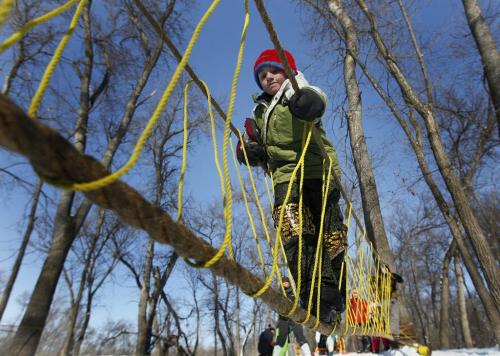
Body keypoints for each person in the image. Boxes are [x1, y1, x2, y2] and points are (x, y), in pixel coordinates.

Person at [237, 48, 347, 324]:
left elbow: (316, 98)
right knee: (294, 233)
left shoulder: (296, 91)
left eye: (273, 70)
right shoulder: (259, 111)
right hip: (286, 177)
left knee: (332, 236)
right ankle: (315, 296)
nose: (268, 77)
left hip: (318, 171)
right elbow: (249, 138)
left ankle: (335, 294)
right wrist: (248, 150)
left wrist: (309, 102)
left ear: (287, 71)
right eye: (262, 75)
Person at [273, 277, 312, 356]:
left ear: (289, 283)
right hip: (283, 318)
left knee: (300, 337)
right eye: (283, 283)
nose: (285, 284)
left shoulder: (294, 293)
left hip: (294, 317)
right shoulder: (279, 294)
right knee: (281, 338)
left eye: (286, 283)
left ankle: (308, 354)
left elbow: (299, 304)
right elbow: (274, 305)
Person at [348, 288, 371, 353]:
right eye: (354, 293)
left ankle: (367, 348)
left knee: (365, 336)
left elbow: (367, 310)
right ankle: (359, 349)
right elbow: (348, 312)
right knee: (357, 337)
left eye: (356, 293)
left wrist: (369, 315)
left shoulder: (363, 301)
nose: (355, 294)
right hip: (354, 322)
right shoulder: (350, 302)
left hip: (363, 321)